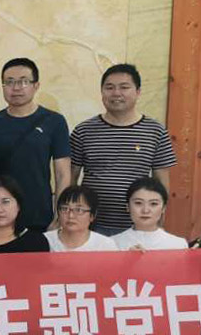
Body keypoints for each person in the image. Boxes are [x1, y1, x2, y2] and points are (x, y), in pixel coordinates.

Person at [69, 64, 176, 235]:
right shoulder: (83, 131)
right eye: (109, 87)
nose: (116, 93)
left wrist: (159, 221)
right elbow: (71, 179)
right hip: (90, 226)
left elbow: (162, 182)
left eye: (124, 87)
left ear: (138, 92)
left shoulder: (156, 131)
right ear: (102, 92)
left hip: (137, 226)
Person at [0, 57, 71, 232]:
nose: (16, 88)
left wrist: (60, 215)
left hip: (38, 214)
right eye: (9, 82)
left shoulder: (54, 121)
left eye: (23, 81)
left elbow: (62, 173)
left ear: (36, 85)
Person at [112, 177, 188, 251]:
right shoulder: (113, 243)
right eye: (138, 203)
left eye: (153, 204)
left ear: (163, 208)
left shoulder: (178, 245)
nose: (145, 210)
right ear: (128, 207)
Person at [45, 185, 118, 252]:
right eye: (65, 209)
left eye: (78, 210)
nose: (70, 215)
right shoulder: (45, 241)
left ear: (92, 216)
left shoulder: (106, 245)